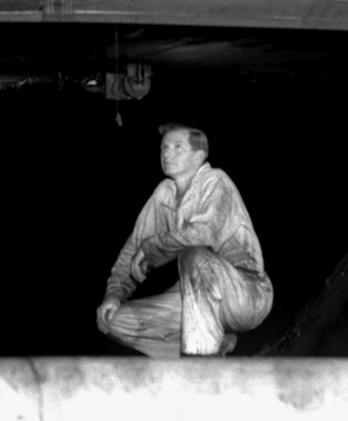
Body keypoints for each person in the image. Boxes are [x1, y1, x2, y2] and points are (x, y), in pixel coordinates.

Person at [96, 124, 272, 358]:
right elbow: (133, 248)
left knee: (195, 256)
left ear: (199, 155)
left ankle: (199, 365)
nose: (167, 153)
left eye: (177, 147)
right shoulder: (164, 194)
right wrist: (115, 293)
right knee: (114, 321)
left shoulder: (216, 181)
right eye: (163, 148)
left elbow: (203, 233)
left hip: (245, 293)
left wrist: (153, 247)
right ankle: (212, 344)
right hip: (195, 296)